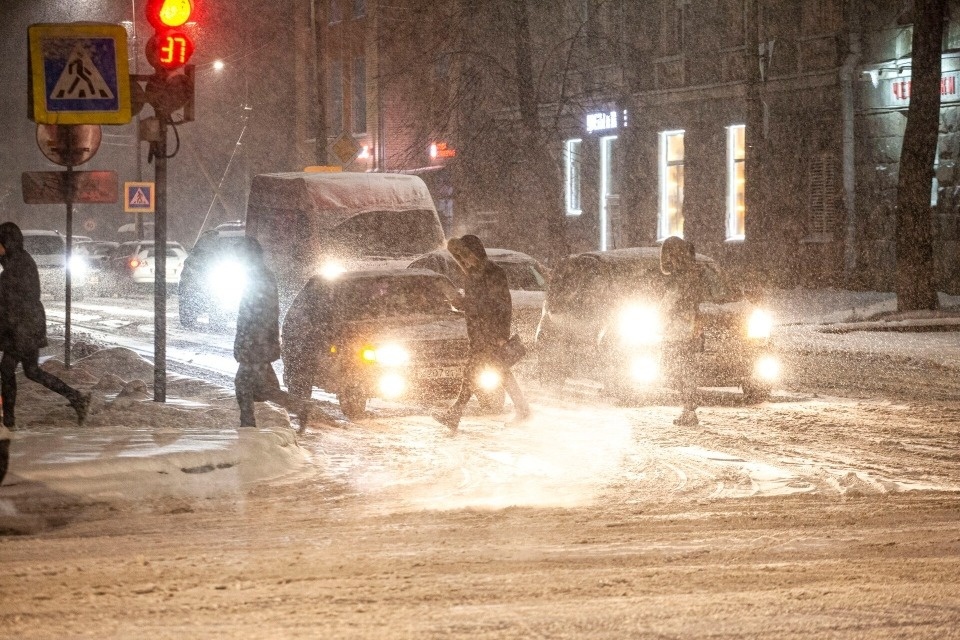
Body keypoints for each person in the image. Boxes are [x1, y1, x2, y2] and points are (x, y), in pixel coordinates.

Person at [432, 234, 530, 431]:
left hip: (490, 333)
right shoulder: (472, 275)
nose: (464, 260)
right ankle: (522, 410)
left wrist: (501, 334)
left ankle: (455, 413)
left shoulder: (493, 272)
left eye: (466, 255)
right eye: (460, 256)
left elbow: (503, 305)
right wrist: (458, 302)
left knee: (473, 372)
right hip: (478, 333)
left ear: (476, 252)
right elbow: (475, 305)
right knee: (499, 371)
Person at [0, 222, 90, 429]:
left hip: (23, 326)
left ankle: (9, 422)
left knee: (7, 369)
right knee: (31, 371)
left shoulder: (19, 265)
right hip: (25, 325)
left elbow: (12, 296)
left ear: (7, 242)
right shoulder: (14, 261)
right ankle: (76, 398)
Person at [233, 236, 312, 430]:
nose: (239, 260)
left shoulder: (259, 277)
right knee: (261, 388)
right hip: (256, 343)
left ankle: (248, 427)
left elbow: (258, 315)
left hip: (256, 344)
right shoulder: (258, 275)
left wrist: (250, 342)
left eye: (240, 256)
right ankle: (299, 407)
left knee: (245, 386)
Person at [660, 235, 706, 427]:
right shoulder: (689, 275)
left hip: (681, 333)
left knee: (681, 370)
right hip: (683, 332)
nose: (667, 259)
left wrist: (662, 315)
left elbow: (672, 303)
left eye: (669, 254)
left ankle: (689, 409)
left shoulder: (683, 278)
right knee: (683, 370)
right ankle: (688, 408)